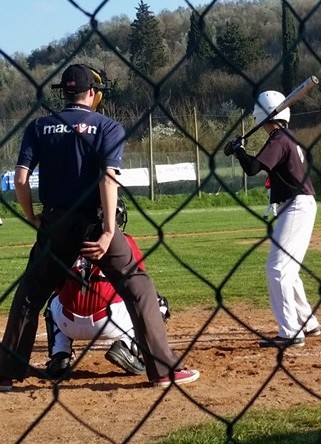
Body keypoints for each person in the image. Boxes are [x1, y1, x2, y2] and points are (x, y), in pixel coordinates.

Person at [0, 64, 199, 392]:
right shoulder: (107, 126)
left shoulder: (39, 127)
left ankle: (6, 372)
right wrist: (108, 230)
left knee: (30, 293)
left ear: (64, 93)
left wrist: (33, 217)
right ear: (92, 93)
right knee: (138, 288)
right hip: (93, 220)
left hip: (54, 220)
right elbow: (109, 180)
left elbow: (21, 179)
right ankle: (162, 370)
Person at [224, 90, 320, 348]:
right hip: (297, 204)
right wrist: (239, 151)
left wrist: (239, 151)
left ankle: (290, 332)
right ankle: (307, 321)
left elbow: (254, 168)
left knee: (277, 269)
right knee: (288, 269)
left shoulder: (279, 138)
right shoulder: (284, 137)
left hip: (297, 205)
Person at [45, 200, 171, 378]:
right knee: (155, 301)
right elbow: (137, 284)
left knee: (52, 302)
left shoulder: (65, 243)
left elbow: (56, 284)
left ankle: (60, 355)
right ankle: (127, 346)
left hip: (68, 321)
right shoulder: (124, 242)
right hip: (111, 320)